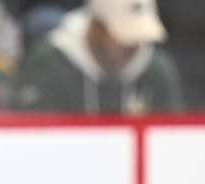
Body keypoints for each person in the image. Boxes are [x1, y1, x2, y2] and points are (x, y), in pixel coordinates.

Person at [12, 0, 184, 114]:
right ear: (97, 29)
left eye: (139, 38)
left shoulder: (156, 69)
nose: (135, 49)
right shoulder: (49, 64)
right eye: (125, 41)